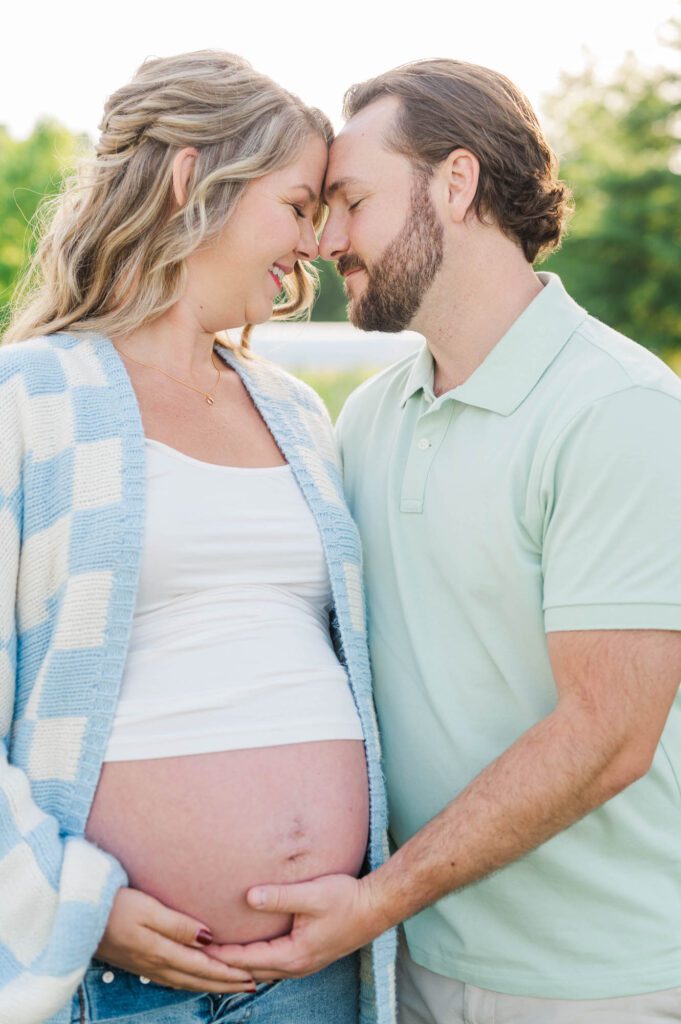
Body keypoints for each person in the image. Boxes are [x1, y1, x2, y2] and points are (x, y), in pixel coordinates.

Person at [213, 60, 681, 1024]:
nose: (326, 240)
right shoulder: (367, 416)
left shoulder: (620, 412)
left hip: (596, 984)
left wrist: (376, 900)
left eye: (349, 201)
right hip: (404, 968)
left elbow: (609, 736)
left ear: (455, 184)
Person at [0, 50, 395, 1024]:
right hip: (119, 983)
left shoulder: (299, 414)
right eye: (298, 204)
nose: (315, 243)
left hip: (320, 976)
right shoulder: (29, 401)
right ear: (190, 178)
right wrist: (73, 905)